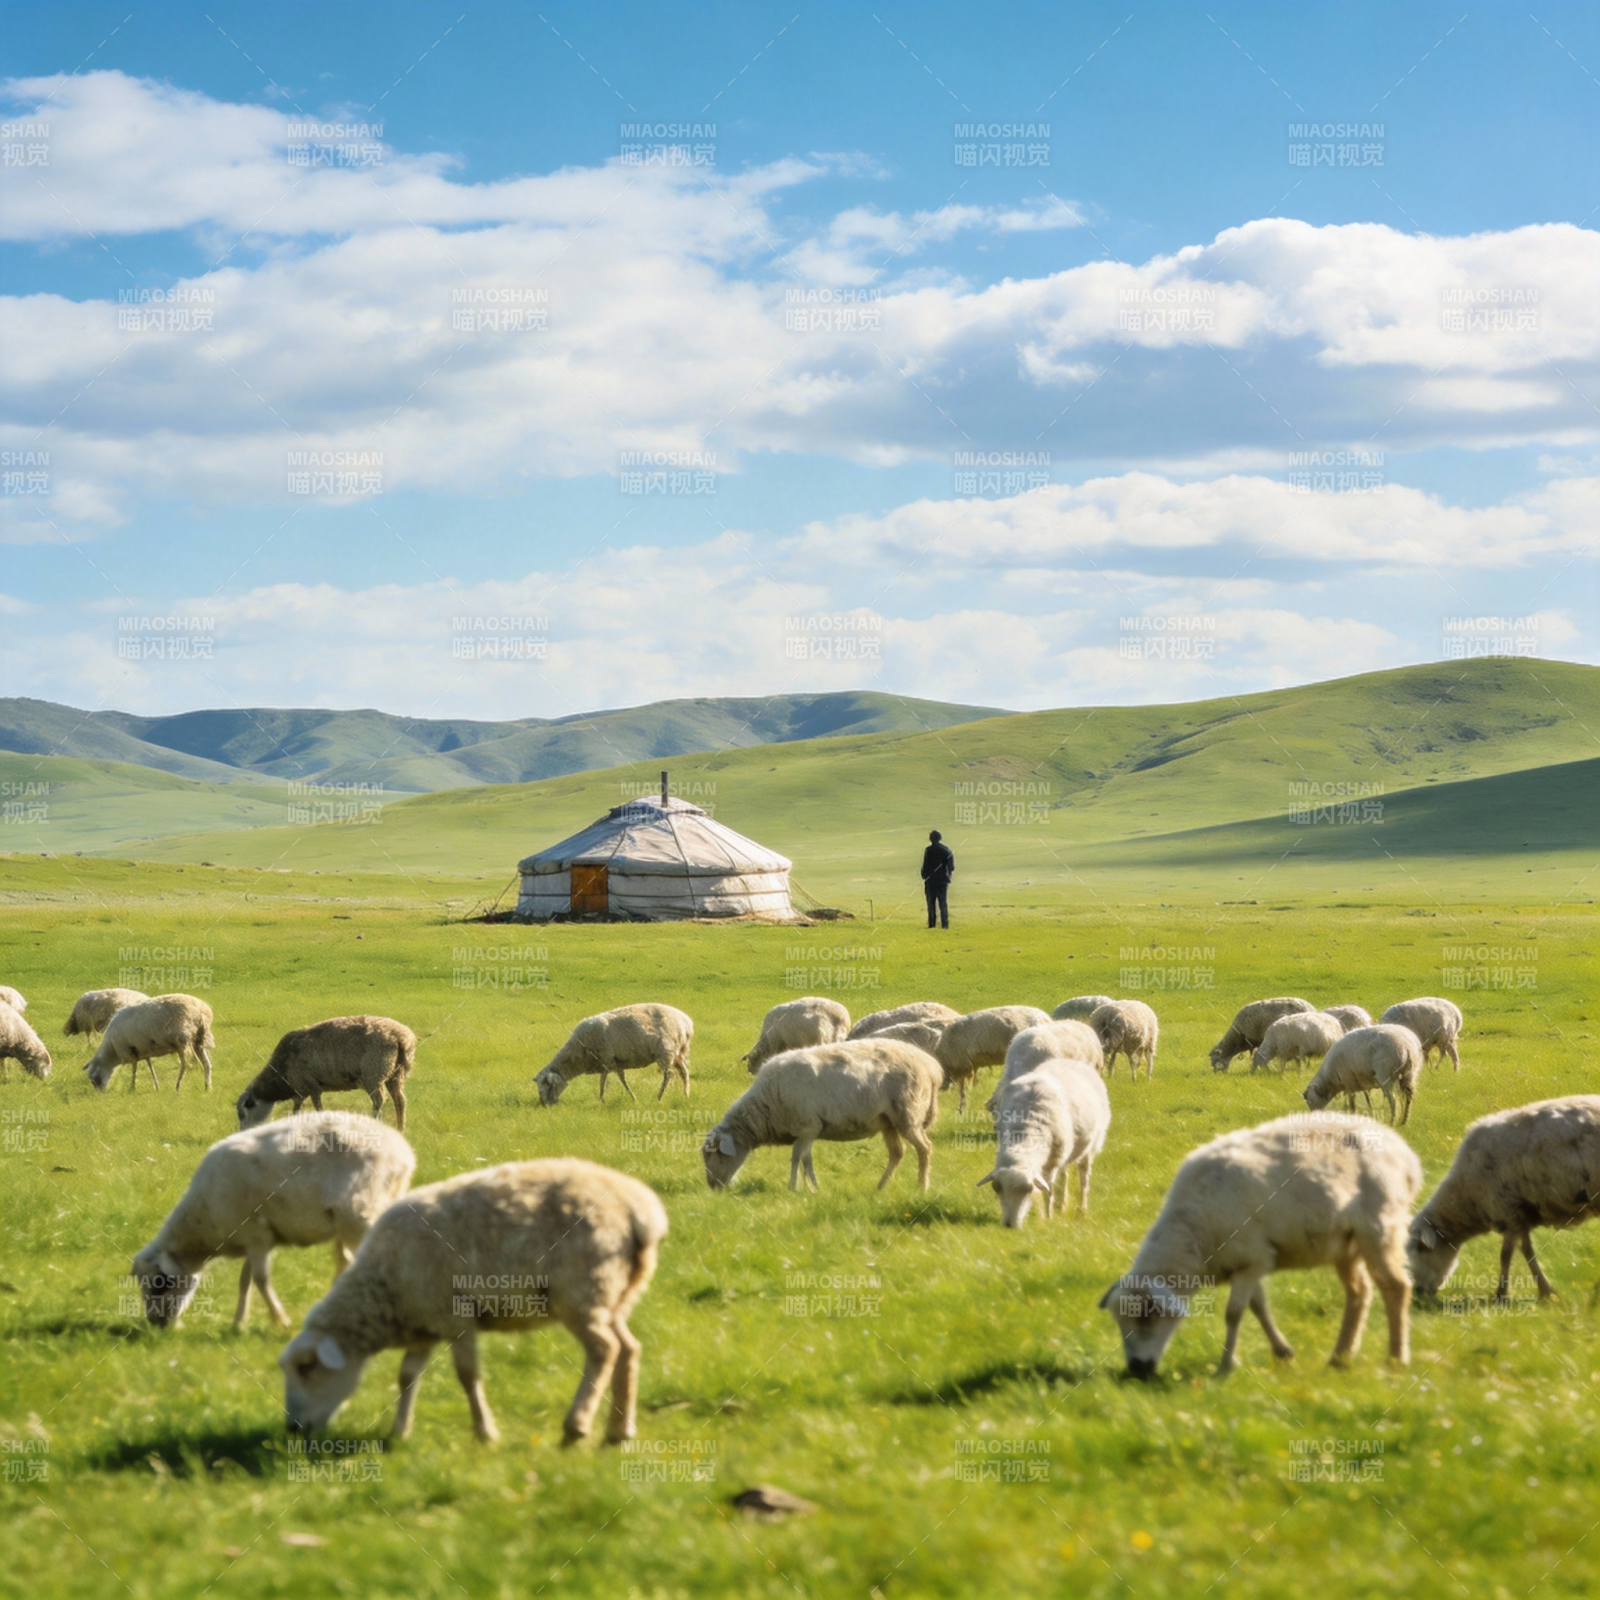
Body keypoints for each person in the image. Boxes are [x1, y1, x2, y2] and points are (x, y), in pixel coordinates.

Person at [921, 829, 955, 929]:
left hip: (930, 881)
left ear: (931, 839)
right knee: (943, 903)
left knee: (931, 903)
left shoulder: (928, 850)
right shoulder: (946, 850)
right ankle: (945, 924)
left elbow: (925, 866)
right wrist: (948, 874)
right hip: (942, 880)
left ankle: (932, 923)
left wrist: (924, 876)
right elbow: (951, 866)